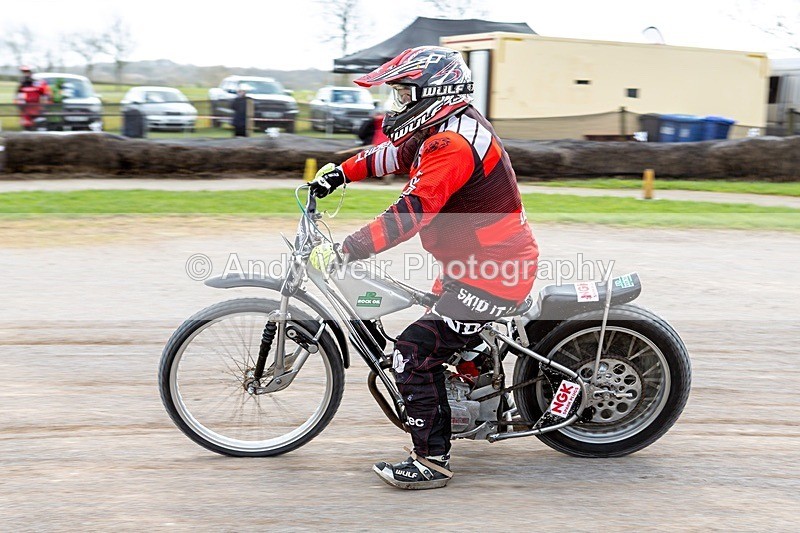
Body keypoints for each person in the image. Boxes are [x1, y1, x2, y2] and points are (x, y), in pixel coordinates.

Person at [308, 46, 539, 490]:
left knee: (411, 353)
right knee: (430, 323)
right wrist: (340, 173)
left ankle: (431, 460)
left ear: (433, 93)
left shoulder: (450, 144)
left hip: (492, 273)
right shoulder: (440, 127)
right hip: (470, 265)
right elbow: (391, 156)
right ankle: (472, 375)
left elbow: (411, 212)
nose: (397, 105)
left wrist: (348, 249)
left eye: (402, 94)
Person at [15, 66, 50, 131]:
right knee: (27, 125)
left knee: (40, 125)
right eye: (24, 72)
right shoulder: (22, 83)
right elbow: (18, 96)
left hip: (38, 108)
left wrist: (43, 106)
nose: (26, 74)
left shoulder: (39, 82)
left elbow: (45, 94)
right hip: (26, 108)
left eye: (27, 72)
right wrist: (19, 105)